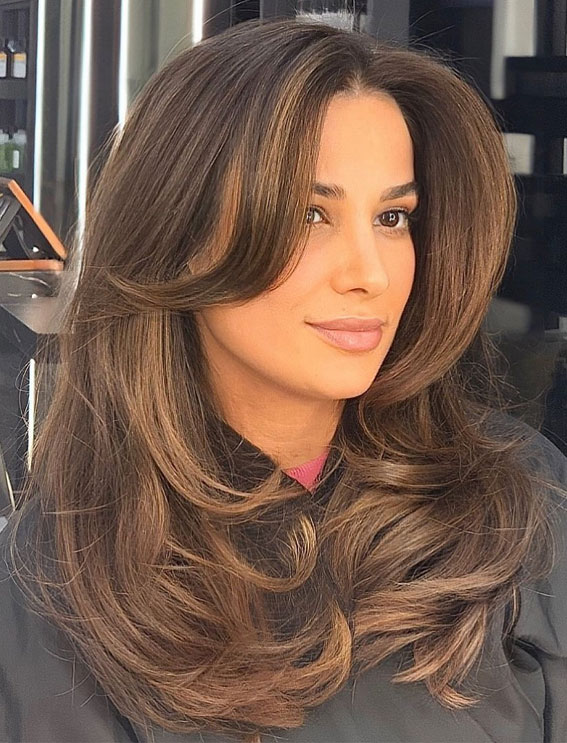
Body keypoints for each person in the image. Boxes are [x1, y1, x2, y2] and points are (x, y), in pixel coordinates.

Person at [0, 15, 566, 743]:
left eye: (393, 217)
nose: (369, 273)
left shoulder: (518, 495)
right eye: (309, 214)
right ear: (176, 232)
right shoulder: (57, 581)